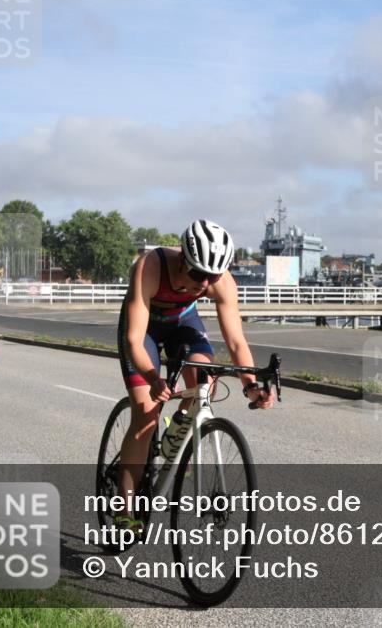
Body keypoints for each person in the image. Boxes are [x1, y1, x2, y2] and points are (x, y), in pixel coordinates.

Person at [115, 219, 275, 530]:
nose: (204, 283)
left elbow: (236, 341)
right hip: (144, 329)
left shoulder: (221, 282)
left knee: (206, 382)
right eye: (199, 274)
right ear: (183, 260)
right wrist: (153, 378)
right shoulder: (150, 267)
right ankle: (124, 506)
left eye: (212, 276)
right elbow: (134, 340)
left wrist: (251, 385)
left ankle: (176, 432)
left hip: (182, 323)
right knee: (146, 414)